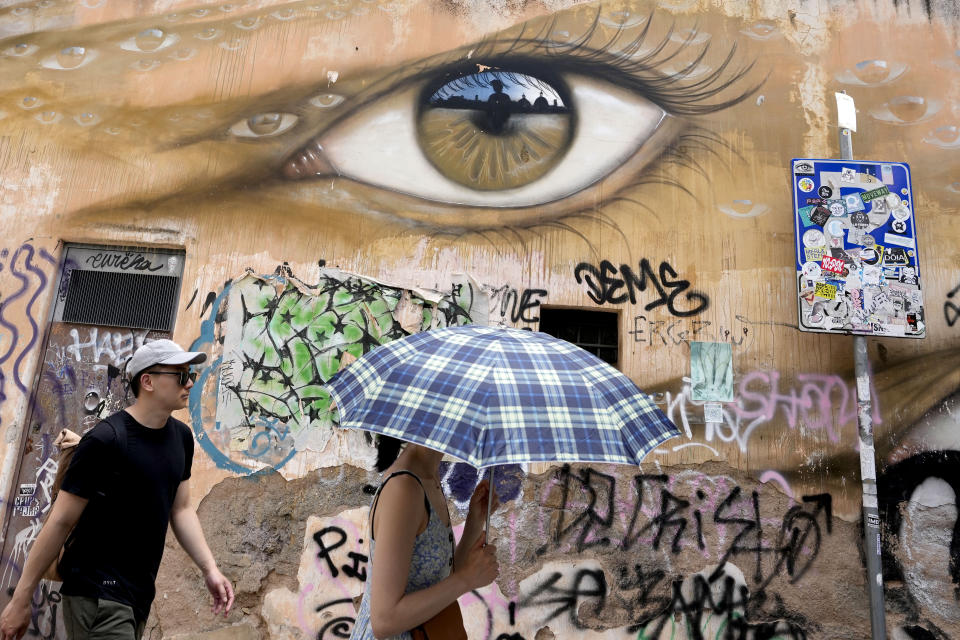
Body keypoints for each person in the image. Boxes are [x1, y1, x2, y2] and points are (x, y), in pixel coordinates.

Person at [0, 339, 234, 640]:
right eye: (179, 375)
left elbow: (181, 508)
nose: (188, 383)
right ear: (147, 381)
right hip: (96, 594)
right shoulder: (106, 440)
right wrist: (21, 600)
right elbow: (60, 521)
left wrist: (209, 569)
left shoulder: (182, 438)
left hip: (137, 596)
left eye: (190, 374)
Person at [350, 436, 500, 639]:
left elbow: (439, 579)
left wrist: (475, 522)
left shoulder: (428, 477)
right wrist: (466, 579)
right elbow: (384, 620)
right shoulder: (404, 488)